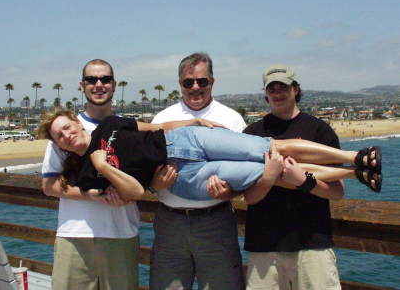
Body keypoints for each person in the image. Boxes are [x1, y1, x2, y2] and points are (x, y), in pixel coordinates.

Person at [39, 110, 381, 203]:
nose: (67, 135)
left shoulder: (109, 125)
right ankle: (354, 175)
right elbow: (134, 194)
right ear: (61, 145)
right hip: (182, 178)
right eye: (60, 136)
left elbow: (151, 126)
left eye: (67, 127)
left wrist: (193, 121)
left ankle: (355, 155)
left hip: (184, 139)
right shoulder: (88, 173)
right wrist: (101, 166)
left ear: (75, 122)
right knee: (270, 171)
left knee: (270, 146)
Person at [243, 64, 381, 290]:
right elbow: (249, 197)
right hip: (264, 247)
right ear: (265, 94)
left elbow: (337, 191)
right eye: (272, 89)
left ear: (295, 89)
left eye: (283, 87)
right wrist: (269, 177)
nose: (278, 94)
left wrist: (303, 181)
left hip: (312, 246)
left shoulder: (320, 131)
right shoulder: (252, 134)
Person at [150, 52, 248, 290]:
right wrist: (155, 184)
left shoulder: (232, 120)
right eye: (188, 82)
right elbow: (145, 172)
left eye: (202, 81)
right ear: (180, 84)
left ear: (212, 82)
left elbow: (247, 174)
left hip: (217, 221)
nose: (195, 87)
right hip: (169, 223)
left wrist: (229, 192)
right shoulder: (162, 119)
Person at [41, 59, 141, 290]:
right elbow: (49, 185)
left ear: (114, 84)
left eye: (105, 79)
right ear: (82, 85)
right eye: (91, 80)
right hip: (73, 235)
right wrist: (91, 195)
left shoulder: (126, 128)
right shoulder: (66, 129)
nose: (99, 84)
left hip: (121, 233)